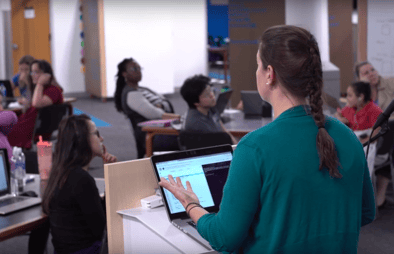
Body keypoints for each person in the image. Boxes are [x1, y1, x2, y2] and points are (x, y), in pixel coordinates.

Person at [159, 25, 375, 253]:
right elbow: (365, 213)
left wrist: (190, 203)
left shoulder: (254, 147)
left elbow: (223, 238)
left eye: (258, 65)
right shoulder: (347, 136)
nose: (257, 72)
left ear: (270, 74)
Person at [41, 114, 117, 254]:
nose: (102, 139)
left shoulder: (60, 172)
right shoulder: (81, 179)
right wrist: (112, 179)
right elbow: (102, 228)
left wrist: (109, 172)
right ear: (83, 140)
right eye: (96, 134)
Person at [114, 58, 179, 158]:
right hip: (155, 134)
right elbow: (156, 114)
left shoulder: (141, 89)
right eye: (134, 69)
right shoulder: (131, 94)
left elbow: (162, 104)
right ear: (124, 74)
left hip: (163, 129)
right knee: (191, 137)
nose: (138, 71)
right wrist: (180, 118)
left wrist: (161, 106)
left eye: (139, 68)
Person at [355, 61, 394, 208]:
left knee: (389, 138)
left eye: (373, 70)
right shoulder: (359, 93)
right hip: (369, 135)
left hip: (387, 133)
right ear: (359, 78)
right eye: (366, 72)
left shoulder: (389, 83)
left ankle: (380, 194)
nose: (372, 73)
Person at [7, 60, 63, 149]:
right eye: (32, 72)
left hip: (34, 131)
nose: (32, 75)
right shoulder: (43, 89)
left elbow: (37, 104)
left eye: (36, 72)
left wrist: (40, 83)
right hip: (30, 127)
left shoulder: (53, 90)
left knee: (0, 132)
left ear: (46, 75)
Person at [180, 74, 237, 143]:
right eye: (206, 94)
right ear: (196, 102)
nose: (212, 95)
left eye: (211, 90)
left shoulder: (211, 109)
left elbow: (225, 131)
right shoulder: (196, 124)